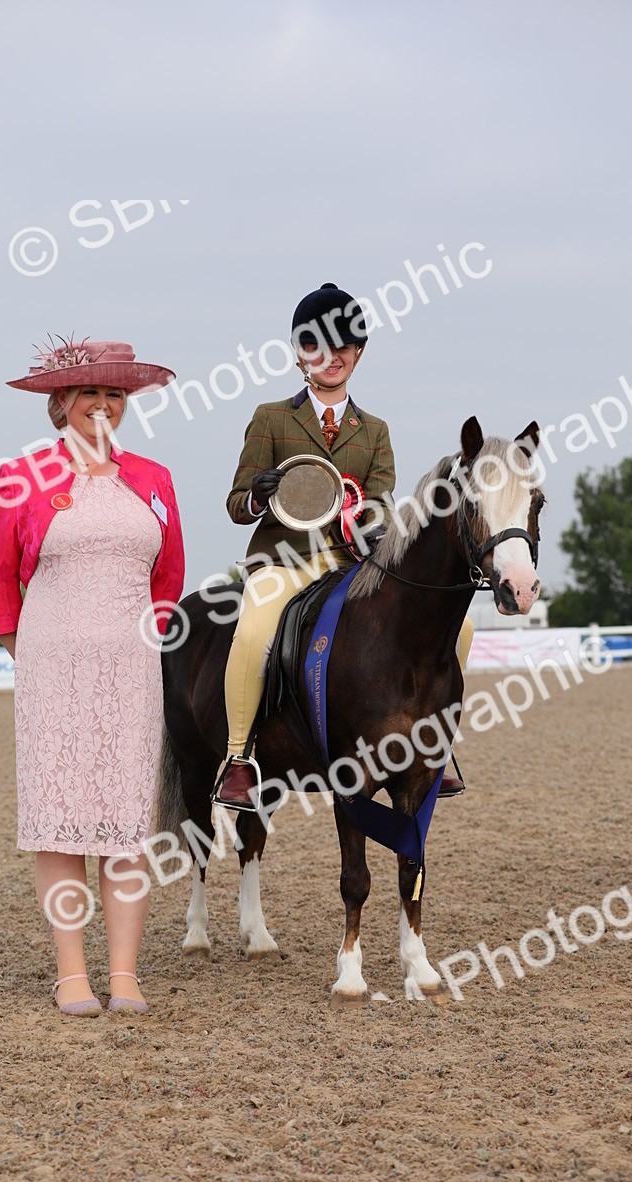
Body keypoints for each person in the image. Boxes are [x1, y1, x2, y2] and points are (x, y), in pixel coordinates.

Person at [0, 336, 184, 1017]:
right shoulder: (21, 476)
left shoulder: (154, 478)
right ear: (60, 401)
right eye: (90, 392)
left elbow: (169, 574)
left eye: (115, 394)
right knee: (61, 819)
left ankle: (123, 975)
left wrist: (146, 634)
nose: (103, 405)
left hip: (132, 668)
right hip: (53, 665)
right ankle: (73, 974)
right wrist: (24, 649)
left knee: (126, 819)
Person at [216, 283, 472, 811]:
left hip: (352, 561)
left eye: (342, 347)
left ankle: (436, 745)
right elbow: (235, 503)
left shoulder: (374, 430)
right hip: (284, 559)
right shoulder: (271, 418)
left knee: (461, 626)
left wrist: (368, 522)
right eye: (316, 347)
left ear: (358, 353)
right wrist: (259, 494)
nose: (330, 358)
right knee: (256, 625)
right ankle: (239, 758)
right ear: (298, 353)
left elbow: (380, 503)